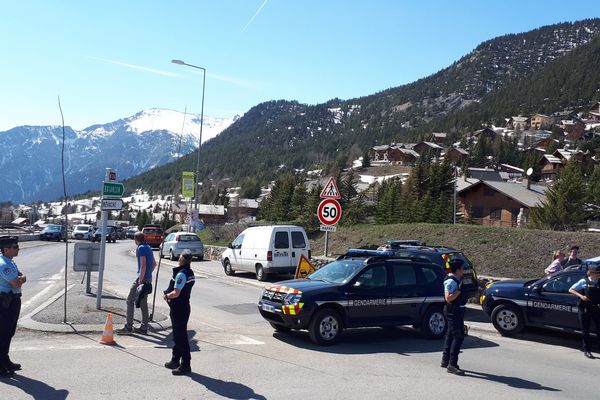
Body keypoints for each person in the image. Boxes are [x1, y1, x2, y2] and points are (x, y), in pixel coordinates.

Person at [163, 249, 195, 375]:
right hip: (183, 307)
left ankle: (186, 365)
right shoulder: (190, 272)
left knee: (181, 337)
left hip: (179, 308)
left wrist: (167, 296)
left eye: (180, 256)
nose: (178, 257)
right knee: (177, 335)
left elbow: (176, 293)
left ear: (183, 259)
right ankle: (175, 360)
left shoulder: (182, 274)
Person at [118, 232, 156, 335]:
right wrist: (148, 274)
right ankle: (144, 327)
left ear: (136, 240)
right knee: (143, 304)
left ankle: (128, 326)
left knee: (130, 300)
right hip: (148, 279)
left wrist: (140, 280)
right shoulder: (148, 247)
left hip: (142, 279)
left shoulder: (140, 248)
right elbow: (154, 264)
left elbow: (143, 265)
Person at [0, 236, 26, 377]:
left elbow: (18, 278)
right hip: (5, 303)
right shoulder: (3, 264)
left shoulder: (10, 262)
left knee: (9, 332)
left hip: (12, 301)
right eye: (15, 247)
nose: (18, 249)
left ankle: (4, 360)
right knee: (3, 332)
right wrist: (23, 278)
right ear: (6, 249)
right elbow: (16, 282)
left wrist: (21, 278)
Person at [568, 264, 600, 359]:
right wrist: (581, 296)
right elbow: (571, 289)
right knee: (586, 330)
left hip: (596, 309)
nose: (598, 275)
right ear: (590, 273)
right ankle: (587, 350)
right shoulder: (583, 281)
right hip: (585, 309)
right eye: (597, 273)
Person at [441, 261, 466, 375]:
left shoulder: (455, 280)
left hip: (455, 311)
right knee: (458, 336)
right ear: (457, 270)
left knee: (450, 334)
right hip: (453, 312)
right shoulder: (451, 281)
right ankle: (452, 364)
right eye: (462, 269)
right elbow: (448, 298)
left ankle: (445, 360)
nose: (463, 271)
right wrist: (459, 291)